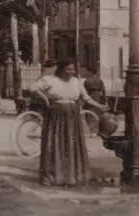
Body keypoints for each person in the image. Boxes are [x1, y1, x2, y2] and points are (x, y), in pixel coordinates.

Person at [31, 57, 108, 187]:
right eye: (68, 69)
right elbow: (34, 88)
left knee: (72, 146)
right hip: (55, 117)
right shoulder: (50, 80)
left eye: (72, 69)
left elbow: (87, 98)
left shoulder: (76, 82)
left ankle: (72, 177)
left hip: (73, 117)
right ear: (61, 69)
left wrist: (100, 106)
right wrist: (45, 99)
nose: (70, 72)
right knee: (55, 145)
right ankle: (53, 177)